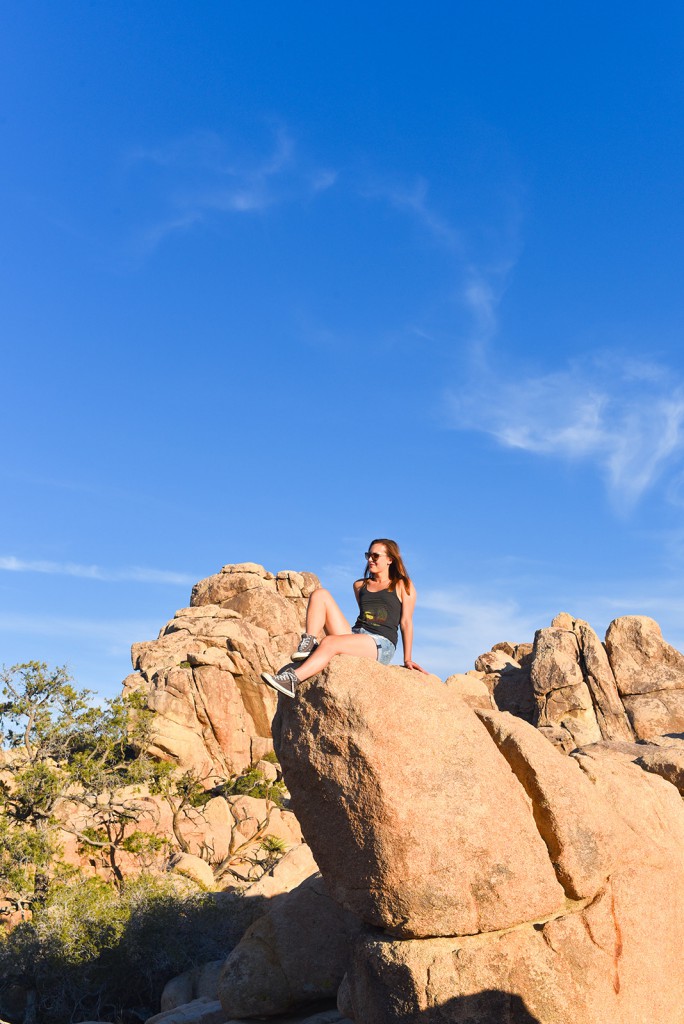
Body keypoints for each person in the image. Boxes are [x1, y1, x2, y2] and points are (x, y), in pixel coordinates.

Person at [260, 538, 427, 697]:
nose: (370, 559)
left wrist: (407, 658)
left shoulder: (402, 584)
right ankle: (309, 643)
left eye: (375, 556)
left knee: (330, 641)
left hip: (380, 643)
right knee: (320, 594)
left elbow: (406, 622)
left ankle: (292, 680)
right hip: (356, 634)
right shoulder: (359, 585)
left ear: (390, 559)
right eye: (368, 555)